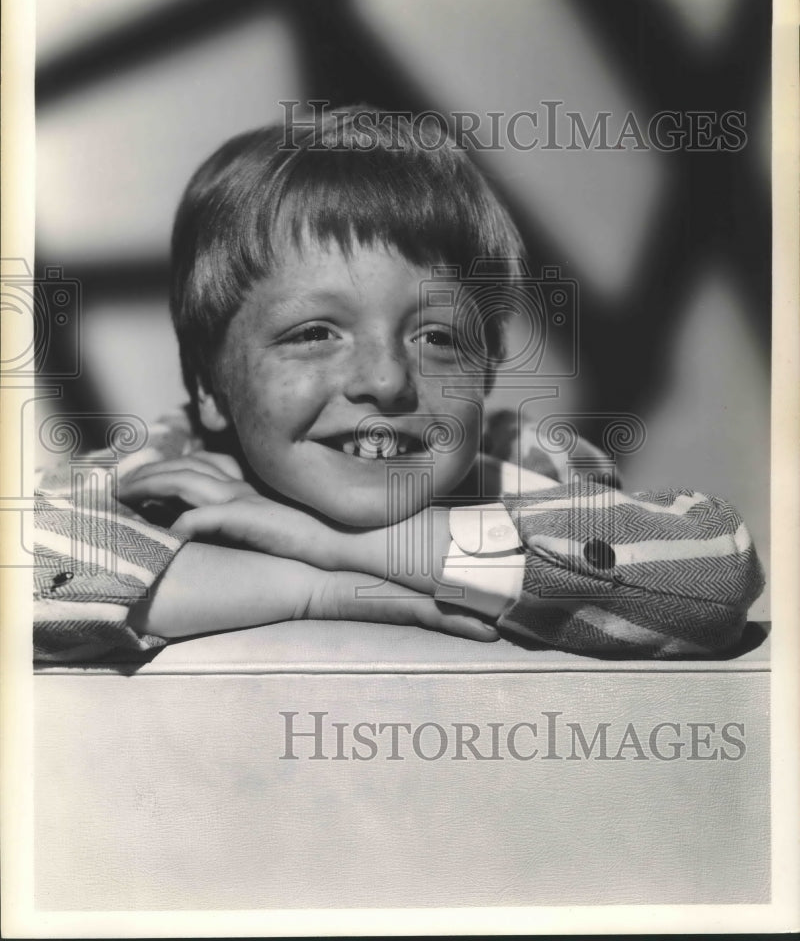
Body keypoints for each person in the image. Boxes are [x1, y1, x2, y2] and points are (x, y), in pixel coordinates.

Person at [34, 106, 765, 662]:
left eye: (438, 337)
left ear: (485, 373)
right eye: (313, 333)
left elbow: (713, 572)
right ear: (211, 389)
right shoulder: (176, 469)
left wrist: (361, 548)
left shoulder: (527, 466)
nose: (386, 380)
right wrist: (312, 587)